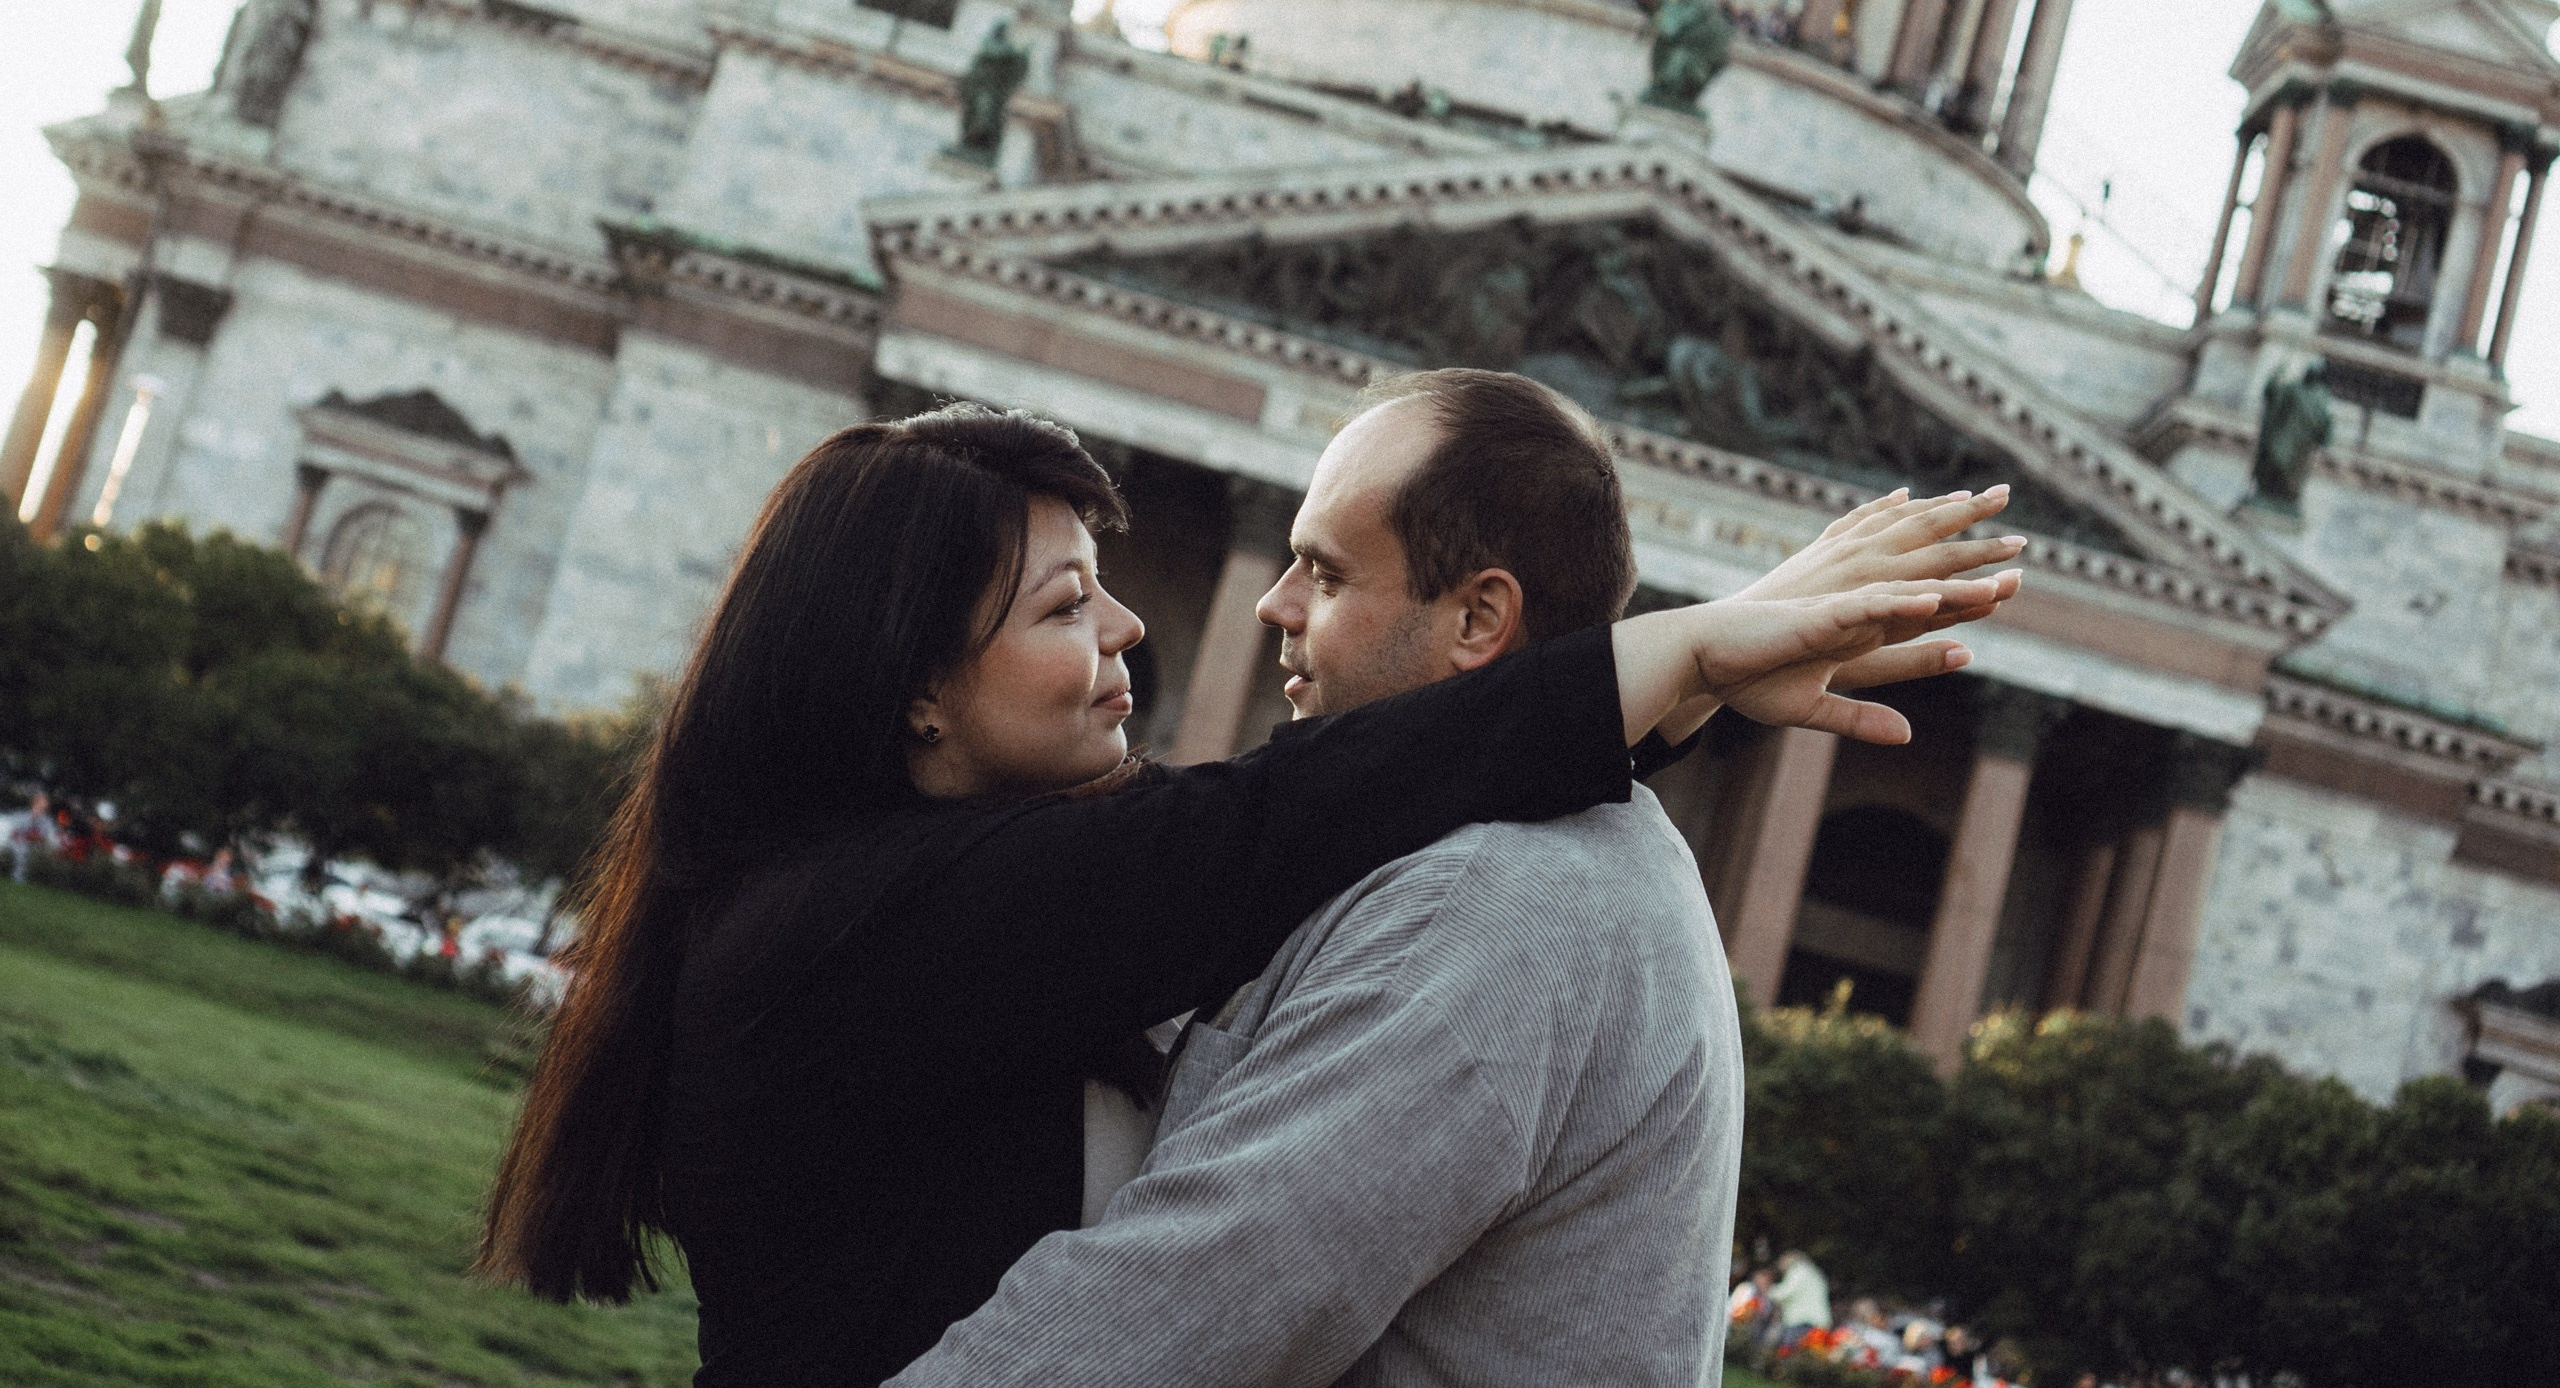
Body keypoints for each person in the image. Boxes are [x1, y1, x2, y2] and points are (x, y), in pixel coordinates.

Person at [475, 401, 2011, 1385]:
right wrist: (1689, 655)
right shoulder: (877, 916)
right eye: (1070, 603)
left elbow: (1294, 838)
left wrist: (1677, 686)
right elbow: (1269, 826)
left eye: (1324, 573)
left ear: (1482, 617)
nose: (1163, 624)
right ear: (914, 689)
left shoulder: (1512, 898)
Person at [1773, 1247, 1835, 1345]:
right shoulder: (1815, 1273)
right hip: (1820, 1322)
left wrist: (1769, 1291)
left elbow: (1786, 1292)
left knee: (1791, 1353)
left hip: (1802, 1320)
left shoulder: (1798, 1271)